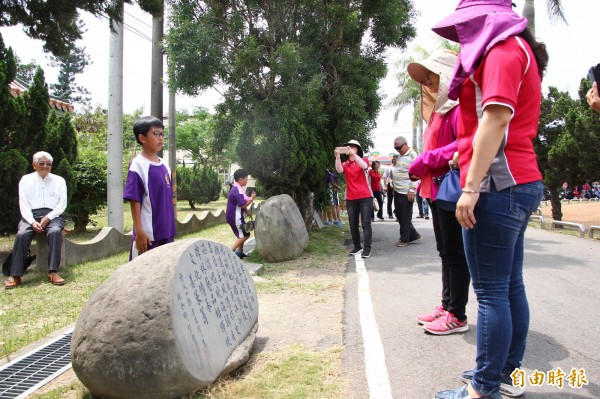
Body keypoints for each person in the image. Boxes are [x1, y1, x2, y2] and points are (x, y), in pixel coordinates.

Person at [431, 1, 547, 398]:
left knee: (493, 292)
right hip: (520, 180)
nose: (463, 36)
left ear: (486, 20)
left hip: (498, 184)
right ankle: (503, 376)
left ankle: (483, 389)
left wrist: (470, 187)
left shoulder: (500, 51)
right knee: (510, 286)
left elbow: (495, 118)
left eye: (467, 26)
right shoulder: (519, 49)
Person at [406, 49, 471, 335]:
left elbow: (463, 144)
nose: (428, 84)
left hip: (451, 190)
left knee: (455, 253)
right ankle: (447, 305)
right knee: (445, 251)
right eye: (426, 80)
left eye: (431, 77)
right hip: (436, 191)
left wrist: (424, 161)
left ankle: (457, 314)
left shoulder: (458, 109)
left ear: (446, 77)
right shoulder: (439, 113)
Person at [4, 152, 68, 289]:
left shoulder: (59, 180)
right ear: (34, 165)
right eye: (42, 163)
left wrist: (48, 217)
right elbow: (24, 204)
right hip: (31, 215)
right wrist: (32, 221)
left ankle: (53, 272)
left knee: (55, 232)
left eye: (48, 164)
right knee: (22, 234)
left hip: (54, 215)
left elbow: (62, 204)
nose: (45, 166)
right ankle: (16, 275)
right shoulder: (26, 180)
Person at [124, 116, 176, 260]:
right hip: (148, 234)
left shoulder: (165, 165)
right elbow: (134, 199)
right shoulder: (137, 165)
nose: (161, 138)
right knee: (141, 275)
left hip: (167, 231)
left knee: (163, 273)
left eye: (162, 134)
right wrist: (139, 231)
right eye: (156, 134)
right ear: (142, 138)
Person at [335, 139, 373, 258]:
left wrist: (354, 155)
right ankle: (357, 247)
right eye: (348, 146)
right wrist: (337, 157)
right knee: (353, 224)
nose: (350, 148)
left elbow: (365, 166)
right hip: (351, 198)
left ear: (358, 149)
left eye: (353, 147)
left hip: (365, 197)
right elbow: (339, 170)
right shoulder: (346, 164)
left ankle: (367, 248)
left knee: (366, 224)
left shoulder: (363, 160)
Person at [390, 136, 421, 247]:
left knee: (405, 215)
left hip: (407, 190)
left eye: (399, 147)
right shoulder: (400, 156)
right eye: (396, 148)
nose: (398, 150)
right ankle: (413, 234)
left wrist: (412, 189)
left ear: (405, 144)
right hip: (398, 189)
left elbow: (416, 173)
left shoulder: (413, 155)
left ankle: (404, 239)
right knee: (399, 214)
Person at [226, 168, 256, 258]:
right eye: (246, 178)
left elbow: (241, 204)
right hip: (235, 218)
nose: (247, 180)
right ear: (240, 179)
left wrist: (247, 212)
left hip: (235, 217)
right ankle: (229, 252)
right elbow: (242, 205)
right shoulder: (237, 190)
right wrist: (252, 198)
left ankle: (239, 253)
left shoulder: (238, 188)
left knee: (242, 234)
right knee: (245, 235)